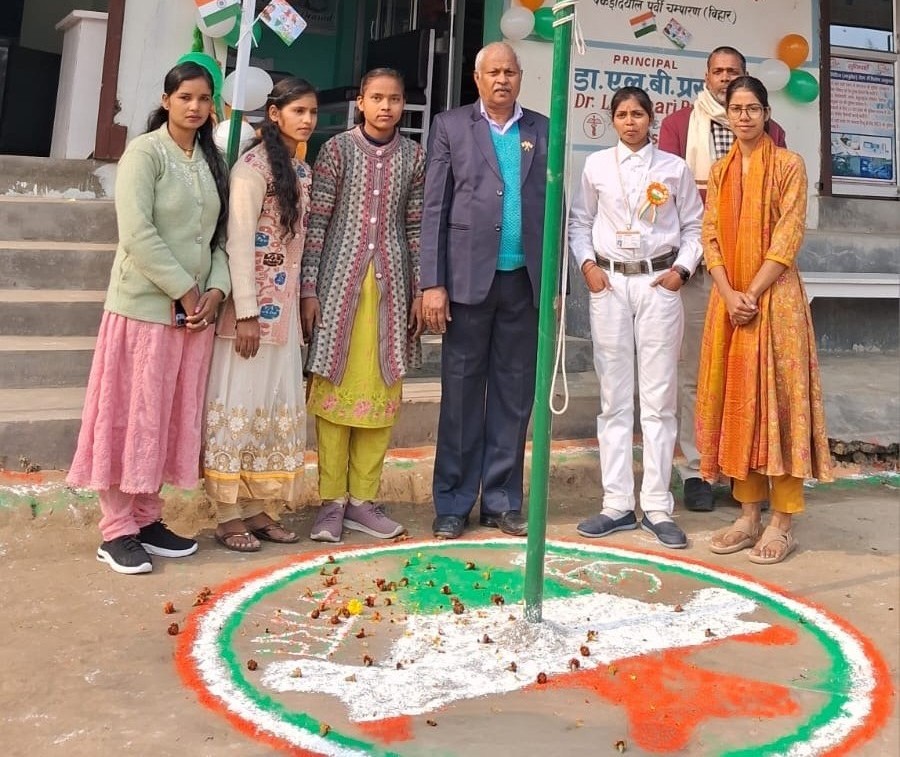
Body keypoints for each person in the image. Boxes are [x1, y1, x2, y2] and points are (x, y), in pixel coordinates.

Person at [67, 62, 230, 574]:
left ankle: (147, 517)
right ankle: (116, 530)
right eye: (185, 97)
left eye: (203, 99)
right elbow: (137, 233)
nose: (195, 107)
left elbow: (218, 238)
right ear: (166, 100)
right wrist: (184, 289)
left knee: (165, 416)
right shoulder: (145, 153)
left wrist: (216, 290)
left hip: (193, 318)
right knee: (129, 415)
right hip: (143, 310)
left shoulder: (211, 159)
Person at [696, 76, 832, 564]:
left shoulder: (789, 165)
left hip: (775, 303)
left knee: (781, 405)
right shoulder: (721, 171)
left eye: (753, 108)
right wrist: (728, 292)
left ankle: (782, 522)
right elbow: (709, 235)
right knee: (740, 404)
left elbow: (789, 235)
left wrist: (751, 293)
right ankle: (748, 515)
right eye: (736, 109)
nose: (744, 117)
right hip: (731, 304)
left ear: (767, 113)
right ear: (727, 115)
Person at [420, 42, 549, 540]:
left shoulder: (541, 128)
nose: (502, 80)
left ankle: (502, 501)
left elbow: (555, 206)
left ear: (520, 76)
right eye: (493, 72)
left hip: (524, 281)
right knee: (460, 395)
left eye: (509, 72)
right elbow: (435, 207)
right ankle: (453, 502)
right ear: (477, 78)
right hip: (466, 283)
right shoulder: (451, 126)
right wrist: (433, 283)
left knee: (514, 396)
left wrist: (555, 284)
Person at [569, 86, 703, 549]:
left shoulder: (673, 168)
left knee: (660, 398)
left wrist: (681, 271)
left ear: (651, 119)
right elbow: (580, 222)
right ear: (612, 120)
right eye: (623, 114)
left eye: (638, 114)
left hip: (658, 283)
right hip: (608, 284)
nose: (630, 122)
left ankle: (659, 506)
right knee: (614, 398)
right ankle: (617, 504)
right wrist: (587, 266)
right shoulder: (596, 166)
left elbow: (695, 226)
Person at [658, 46, 786, 513]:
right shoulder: (679, 125)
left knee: (750, 375)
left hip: (758, 276)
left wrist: (751, 284)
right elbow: (668, 194)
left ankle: (742, 472)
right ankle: (698, 469)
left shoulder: (773, 134)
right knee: (698, 371)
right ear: (707, 76)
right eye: (718, 71)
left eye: (734, 71)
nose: (725, 78)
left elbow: (778, 205)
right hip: (701, 268)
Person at [300, 68, 425, 543]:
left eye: (394, 99)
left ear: (403, 104)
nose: (385, 107)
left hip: (392, 290)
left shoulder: (414, 156)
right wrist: (309, 289)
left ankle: (362, 501)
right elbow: (316, 223)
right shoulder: (336, 150)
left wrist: (420, 289)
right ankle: (331, 502)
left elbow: (415, 226)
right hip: (338, 287)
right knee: (333, 394)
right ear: (361, 103)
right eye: (377, 98)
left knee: (381, 394)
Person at [203, 78, 317, 552]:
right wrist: (247, 312)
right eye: (298, 111)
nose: (307, 120)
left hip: (284, 316)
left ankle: (257, 510)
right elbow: (238, 240)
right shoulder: (251, 169)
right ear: (274, 114)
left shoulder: (301, 170)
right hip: (248, 318)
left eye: (312, 112)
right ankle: (228, 516)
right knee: (240, 407)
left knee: (269, 410)